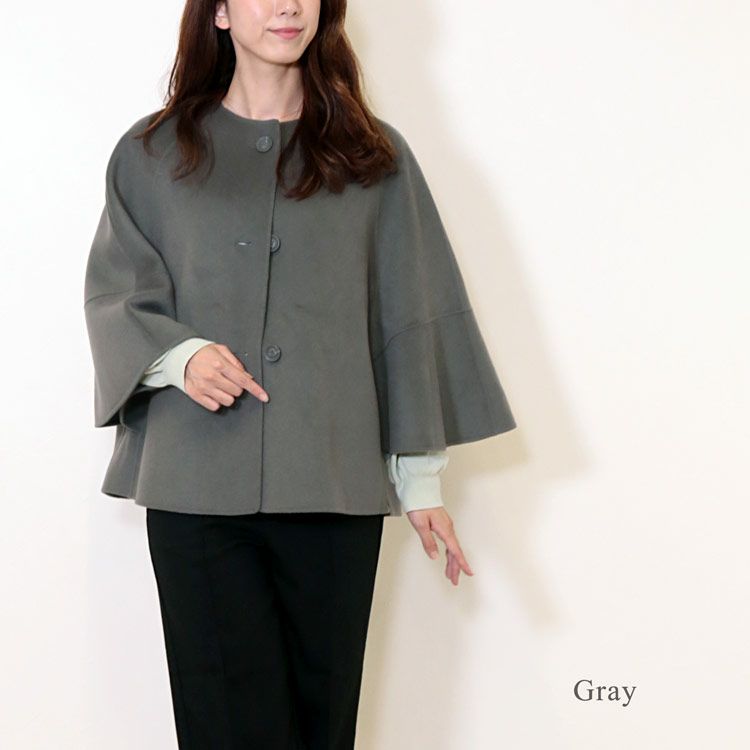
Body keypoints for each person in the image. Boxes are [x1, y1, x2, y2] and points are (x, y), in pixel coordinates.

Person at [83, 1, 516, 747]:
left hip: (333, 486)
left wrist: (419, 481)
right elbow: (117, 291)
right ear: (220, 12)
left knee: (322, 725)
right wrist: (179, 357)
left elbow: (408, 312)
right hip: (197, 492)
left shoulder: (373, 156)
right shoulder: (152, 153)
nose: (287, 5)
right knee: (224, 726)